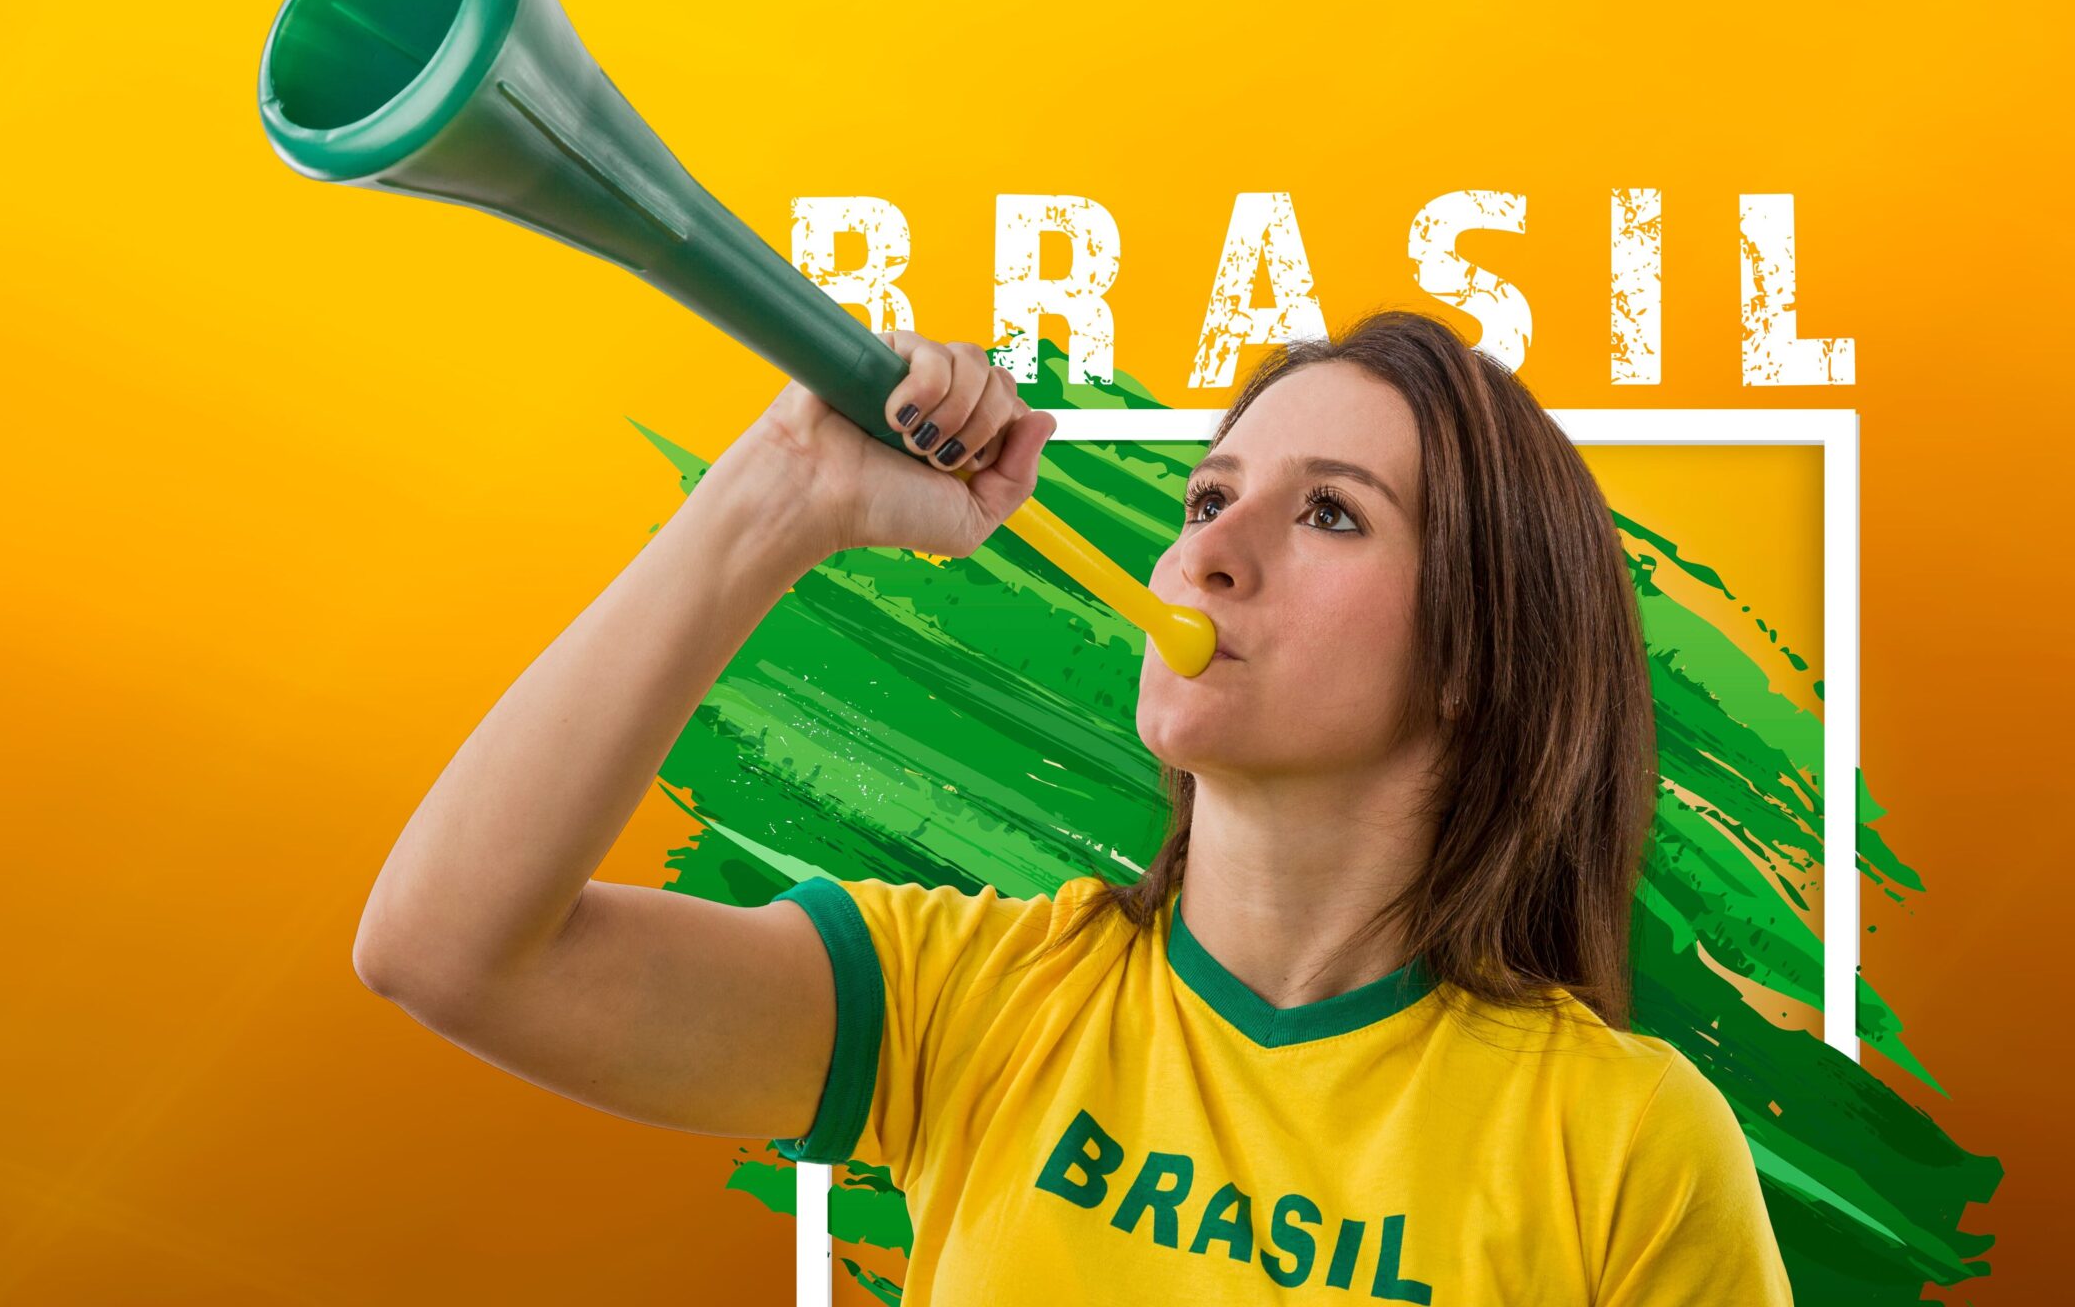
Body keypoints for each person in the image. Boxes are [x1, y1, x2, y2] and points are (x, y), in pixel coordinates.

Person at [352, 310, 1797, 1305]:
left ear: (1480, 656)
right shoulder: (971, 1001)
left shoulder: (1629, 1149)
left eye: (1330, 512)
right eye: (1207, 498)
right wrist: (776, 498)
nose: (1208, 552)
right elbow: (448, 951)